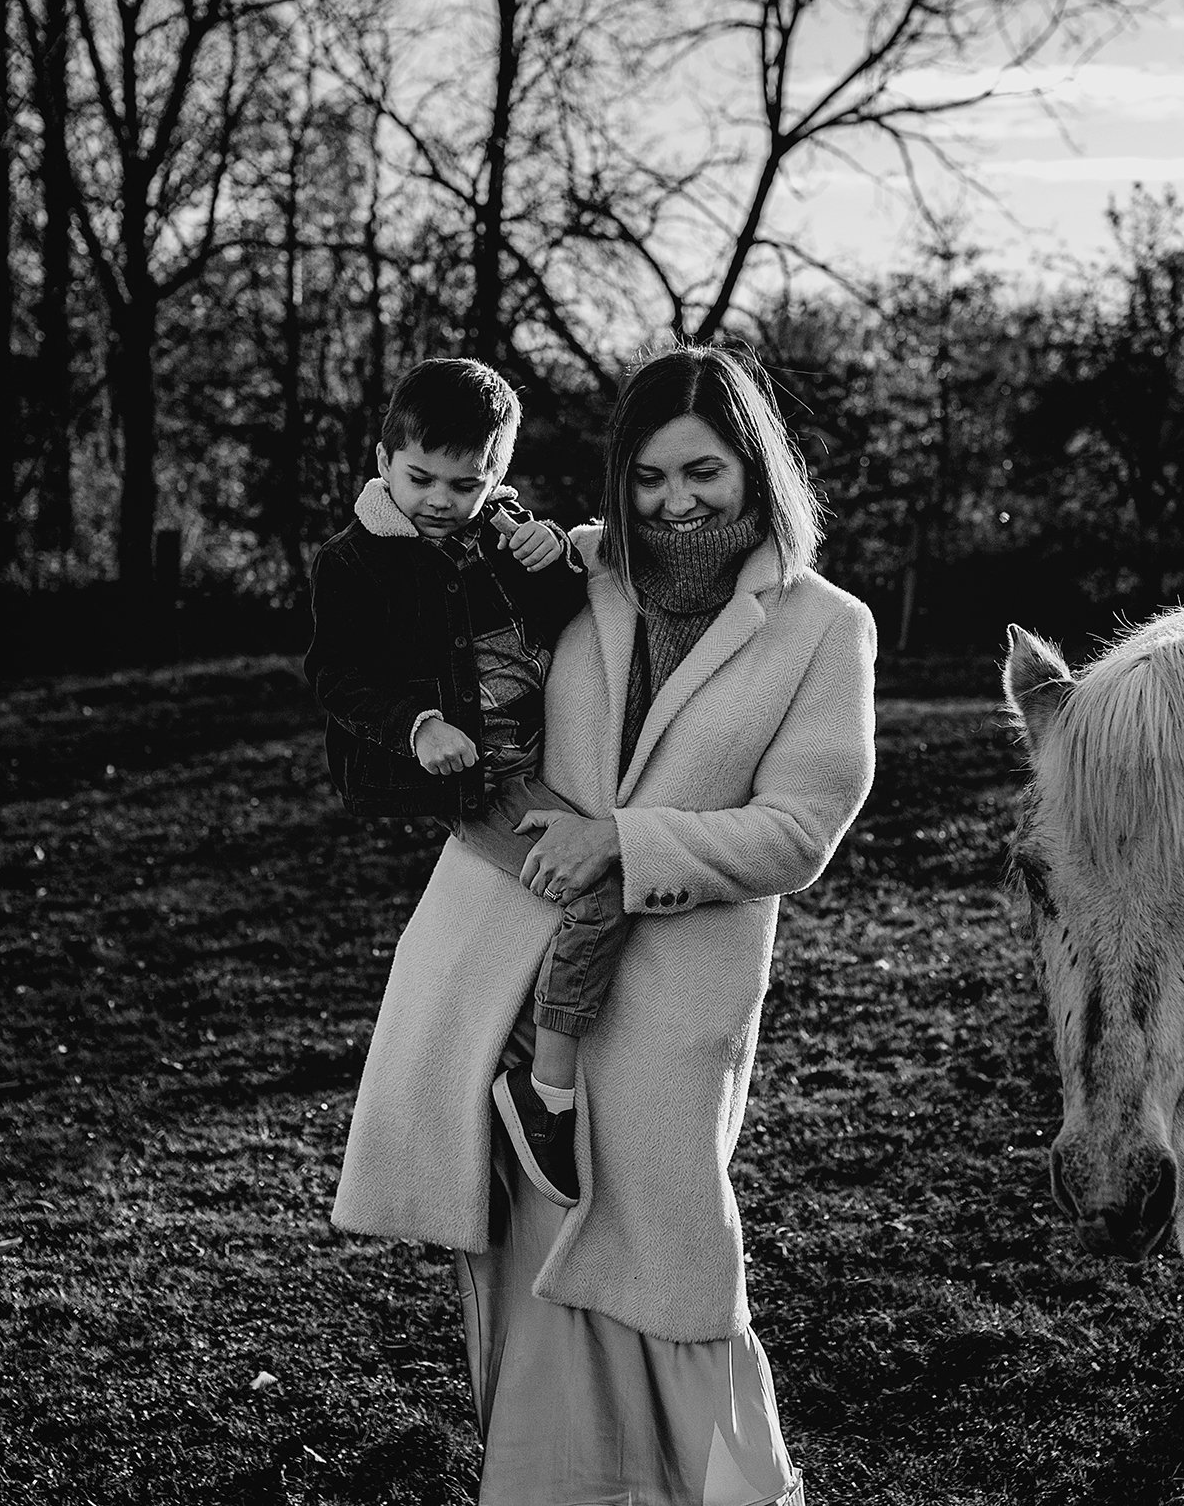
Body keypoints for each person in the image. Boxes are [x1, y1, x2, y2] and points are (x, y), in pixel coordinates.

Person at [333, 346, 878, 1506]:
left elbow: (800, 829)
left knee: (673, 1258)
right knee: (531, 1264)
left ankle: (716, 1490)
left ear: (754, 471)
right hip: (503, 980)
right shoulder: (573, 571)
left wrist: (630, 845)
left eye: (703, 471)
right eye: (647, 475)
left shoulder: (826, 628)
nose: (672, 501)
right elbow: (415, 651)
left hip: (670, 993)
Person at [303, 357, 630, 1207]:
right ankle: (545, 1089)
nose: (442, 499)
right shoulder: (355, 561)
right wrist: (418, 727)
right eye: (421, 478)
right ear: (384, 461)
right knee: (601, 882)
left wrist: (554, 555)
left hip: (541, 754)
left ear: (498, 475)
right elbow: (337, 677)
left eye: (468, 482)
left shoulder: (499, 531)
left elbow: (558, 611)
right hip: (483, 780)